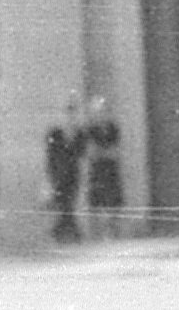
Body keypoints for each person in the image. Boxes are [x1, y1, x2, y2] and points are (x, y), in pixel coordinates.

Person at [80, 95, 124, 240]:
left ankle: (113, 234)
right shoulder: (89, 131)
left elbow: (116, 152)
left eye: (103, 111)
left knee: (114, 202)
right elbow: (91, 152)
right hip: (97, 172)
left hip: (111, 171)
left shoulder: (113, 129)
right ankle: (98, 236)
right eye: (97, 111)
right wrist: (105, 152)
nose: (100, 114)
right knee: (97, 203)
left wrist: (103, 152)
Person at [43, 99, 85, 243]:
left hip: (73, 174)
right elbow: (50, 155)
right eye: (68, 113)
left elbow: (81, 153)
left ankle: (64, 232)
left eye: (73, 113)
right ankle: (68, 233)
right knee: (62, 204)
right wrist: (49, 176)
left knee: (69, 203)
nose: (70, 117)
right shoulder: (54, 133)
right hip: (57, 173)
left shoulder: (79, 134)